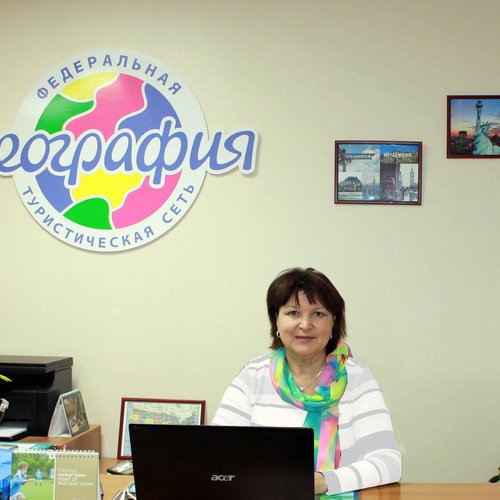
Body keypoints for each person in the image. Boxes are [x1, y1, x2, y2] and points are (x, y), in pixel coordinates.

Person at [212, 267, 401, 498]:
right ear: (276, 320)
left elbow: (388, 462)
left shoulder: (357, 378)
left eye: (318, 314)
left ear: (333, 322)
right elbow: (216, 455)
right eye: (293, 313)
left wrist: (321, 482)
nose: (305, 324)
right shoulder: (253, 377)